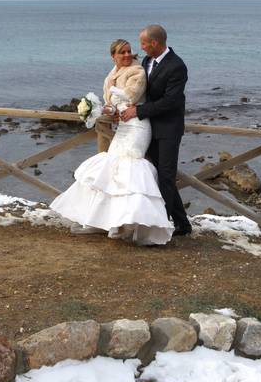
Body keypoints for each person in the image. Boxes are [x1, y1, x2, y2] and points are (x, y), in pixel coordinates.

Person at [50, 39, 174, 245]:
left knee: (130, 168)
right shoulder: (110, 75)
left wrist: (114, 106)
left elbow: (131, 97)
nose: (127, 55)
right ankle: (104, 221)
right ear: (113, 56)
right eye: (122, 53)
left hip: (138, 126)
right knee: (111, 169)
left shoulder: (137, 72)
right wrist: (100, 110)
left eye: (129, 51)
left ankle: (130, 224)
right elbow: (112, 104)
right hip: (122, 127)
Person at [120, 25, 192, 236]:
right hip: (149, 128)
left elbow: (170, 101)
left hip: (169, 128)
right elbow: (144, 93)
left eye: (143, 43)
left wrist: (138, 111)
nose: (140, 48)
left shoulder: (177, 66)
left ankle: (161, 228)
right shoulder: (147, 61)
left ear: (155, 43)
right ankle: (183, 224)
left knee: (167, 177)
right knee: (160, 176)